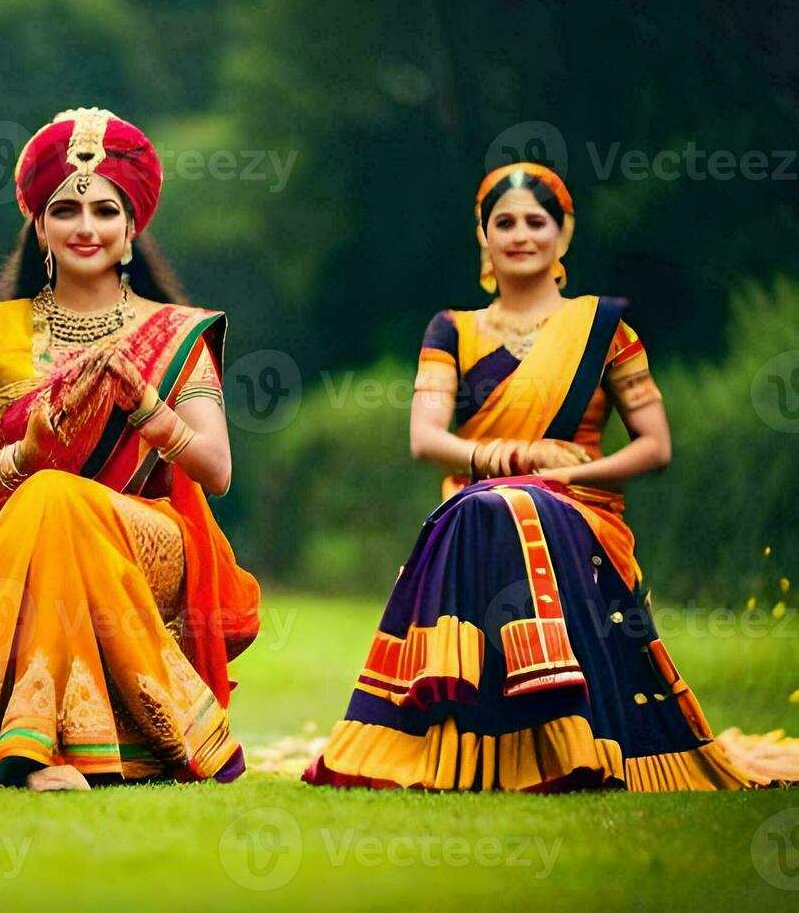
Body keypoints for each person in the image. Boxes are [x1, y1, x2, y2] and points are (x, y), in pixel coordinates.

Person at [303, 162, 798, 791]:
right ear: (483, 237)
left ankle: (562, 733)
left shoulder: (602, 328)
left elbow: (655, 446)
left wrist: (575, 472)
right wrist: (514, 461)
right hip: (474, 509)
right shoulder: (452, 330)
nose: (520, 235)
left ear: (564, 235)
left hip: (580, 508)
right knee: (498, 505)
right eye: (503, 222)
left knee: (514, 506)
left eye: (536, 222)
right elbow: (426, 440)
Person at [0, 108, 260, 791]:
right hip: (11, 548)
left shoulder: (173, 331)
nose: (85, 226)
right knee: (51, 495)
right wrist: (24, 460)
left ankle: (26, 753)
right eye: (65, 208)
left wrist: (153, 413)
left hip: (140, 543)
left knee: (59, 498)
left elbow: (216, 471)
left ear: (131, 227)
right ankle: (51, 749)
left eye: (104, 209)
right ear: (39, 225)